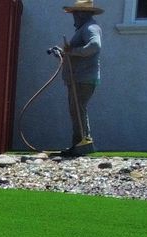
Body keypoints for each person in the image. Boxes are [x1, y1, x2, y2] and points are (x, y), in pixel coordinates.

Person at [47, 1, 103, 157]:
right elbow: (76, 53)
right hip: (78, 78)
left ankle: (80, 145)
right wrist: (63, 52)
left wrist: (72, 51)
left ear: (82, 14)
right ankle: (80, 144)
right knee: (77, 110)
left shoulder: (91, 28)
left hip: (83, 78)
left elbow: (94, 46)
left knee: (78, 109)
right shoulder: (84, 29)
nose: (74, 17)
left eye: (75, 14)